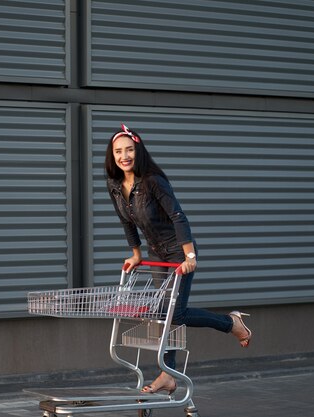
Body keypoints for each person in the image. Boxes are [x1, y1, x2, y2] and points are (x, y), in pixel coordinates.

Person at [105, 123, 253, 395]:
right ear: (112, 155)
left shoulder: (153, 181)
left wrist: (189, 254)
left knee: (176, 312)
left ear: (138, 151)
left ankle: (231, 324)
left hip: (178, 252)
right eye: (118, 151)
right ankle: (169, 374)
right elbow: (126, 221)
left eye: (129, 150)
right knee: (165, 316)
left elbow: (177, 216)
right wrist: (136, 254)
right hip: (156, 254)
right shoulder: (115, 185)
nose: (124, 156)